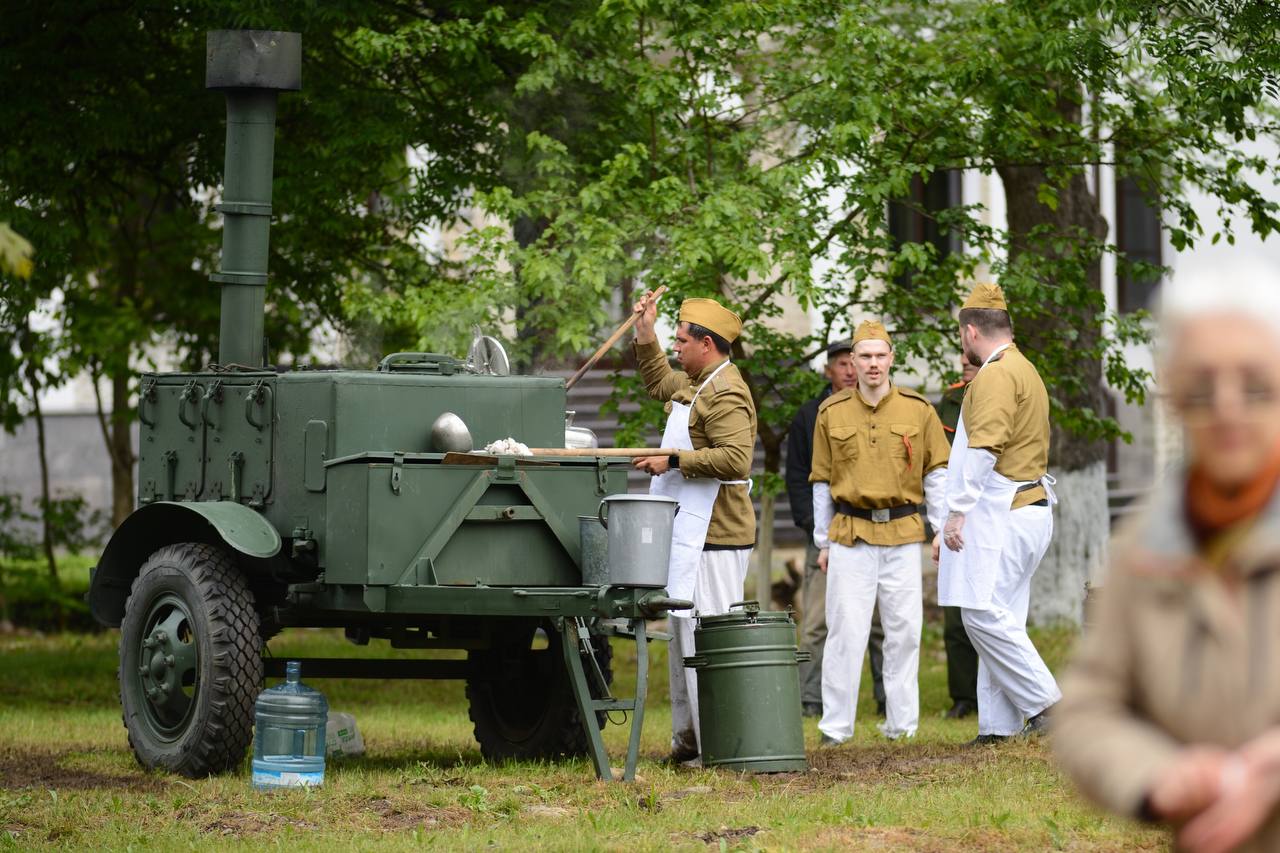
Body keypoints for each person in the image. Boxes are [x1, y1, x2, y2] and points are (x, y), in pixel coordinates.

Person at [1054, 275, 1280, 853]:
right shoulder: (1146, 548)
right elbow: (1088, 710)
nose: (1228, 408)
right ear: (1174, 397)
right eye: (1203, 388)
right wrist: (1157, 776)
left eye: (1255, 386)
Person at [631, 292, 757, 765]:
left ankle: (719, 745)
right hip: (692, 534)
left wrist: (673, 460)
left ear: (707, 344)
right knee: (683, 638)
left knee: (709, 641)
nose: (677, 347)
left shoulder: (727, 392)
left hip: (719, 537)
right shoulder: (699, 381)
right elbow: (660, 382)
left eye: (681, 341)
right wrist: (646, 331)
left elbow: (734, 459)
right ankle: (689, 744)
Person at [811, 320, 949, 744]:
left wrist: (942, 528)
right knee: (845, 631)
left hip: (905, 532)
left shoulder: (918, 409)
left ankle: (902, 726)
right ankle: (836, 728)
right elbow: (820, 480)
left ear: (892, 358)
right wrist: (822, 541)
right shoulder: (831, 411)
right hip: (850, 533)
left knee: (904, 631)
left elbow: (937, 473)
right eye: (864, 356)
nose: (872, 364)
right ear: (851, 362)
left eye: (879, 355)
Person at [934, 283, 1060, 745]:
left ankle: (1048, 705)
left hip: (1006, 511)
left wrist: (955, 513)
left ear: (970, 332)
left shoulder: (995, 374)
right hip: (1024, 507)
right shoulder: (1022, 367)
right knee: (1000, 616)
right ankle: (999, 728)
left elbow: (985, 448)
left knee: (982, 613)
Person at [785, 339, 887, 719]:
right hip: (826, 533)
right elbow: (799, 477)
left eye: (852, 362)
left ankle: (886, 698)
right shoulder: (810, 416)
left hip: (875, 532)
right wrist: (816, 528)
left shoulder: (880, 411)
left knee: (879, 622)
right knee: (816, 621)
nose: (848, 370)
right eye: (841, 363)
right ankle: (810, 699)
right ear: (828, 370)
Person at [934, 358, 981, 720]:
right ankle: (963, 695)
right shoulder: (949, 401)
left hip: (993, 507)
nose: (966, 362)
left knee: (993, 606)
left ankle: (999, 692)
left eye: (973, 359)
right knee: (955, 612)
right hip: (954, 512)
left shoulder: (1007, 390)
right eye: (963, 357)